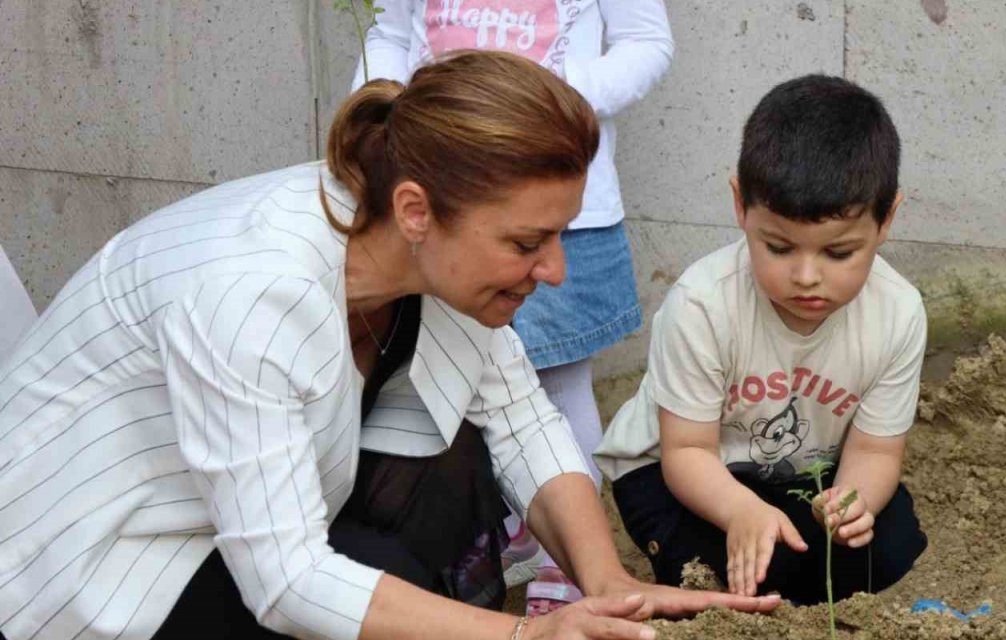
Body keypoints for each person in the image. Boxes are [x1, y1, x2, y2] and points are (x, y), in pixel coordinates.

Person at [0, 51, 776, 640]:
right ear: (416, 209)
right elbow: (286, 580)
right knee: (403, 587)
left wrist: (604, 583)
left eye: (560, 235)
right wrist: (525, 633)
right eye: (528, 241)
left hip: (228, 525)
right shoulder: (256, 293)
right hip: (92, 573)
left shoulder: (416, 245)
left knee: (445, 487)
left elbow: (523, 420)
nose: (556, 269)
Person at [350, 0, 674, 615]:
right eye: (530, 251)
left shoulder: (533, 243)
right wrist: (396, 121)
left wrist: (538, 104)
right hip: (452, 183)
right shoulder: (281, 285)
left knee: (547, 384)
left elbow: (646, 43)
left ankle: (563, 561)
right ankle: (494, 545)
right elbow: (387, 35)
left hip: (543, 180)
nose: (547, 271)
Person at [595, 75, 930, 604]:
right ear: (740, 206)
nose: (805, 276)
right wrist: (742, 512)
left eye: (838, 253)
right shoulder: (704, 302)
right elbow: (686, 450)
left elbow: (875, 451)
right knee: (720, 568)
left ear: (887, 219)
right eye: (777, 247)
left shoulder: (899, 311)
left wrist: (850, 502)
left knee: (891, 543)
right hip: (679, 472)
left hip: (797, 480)